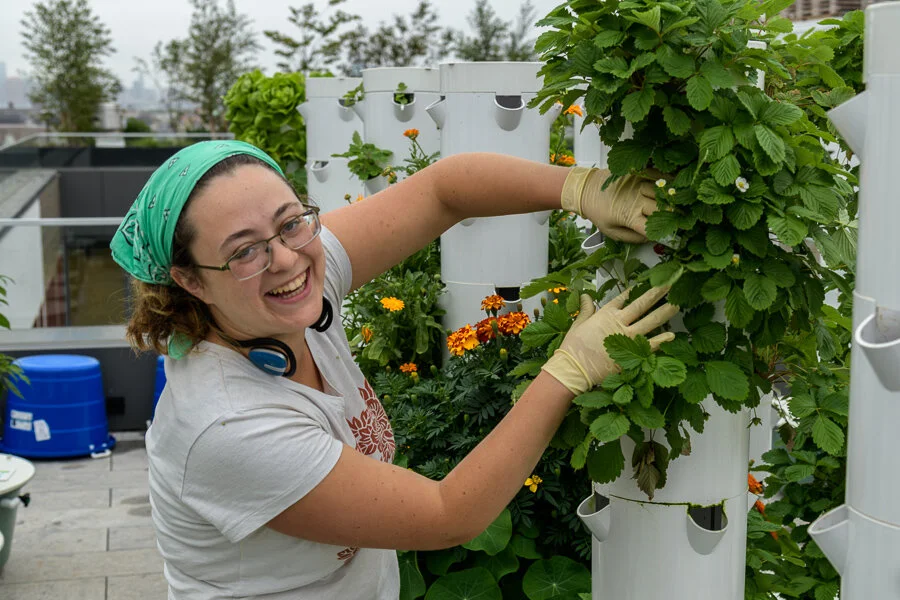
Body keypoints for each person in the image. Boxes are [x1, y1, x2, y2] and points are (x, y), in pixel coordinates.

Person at [110, 140, 678, 599]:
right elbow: (448, 515)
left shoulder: (289, 292)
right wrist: (570, 370)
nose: (284, 259)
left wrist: (581, 187)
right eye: (243, 252)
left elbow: (444, 191)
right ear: (190, 279)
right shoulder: (227, 424)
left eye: (290, 223)